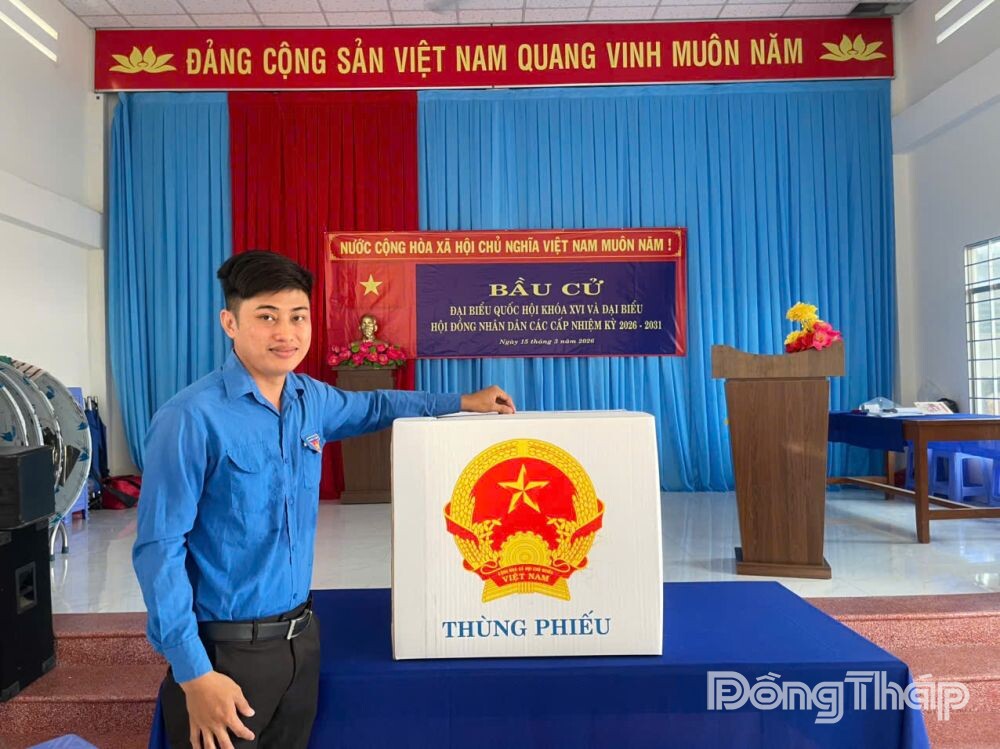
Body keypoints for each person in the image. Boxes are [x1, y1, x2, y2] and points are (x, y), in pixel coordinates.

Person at [133, 250, 515, 749]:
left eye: (298, 317)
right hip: (225, 655)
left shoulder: (309, 399)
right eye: (266, 317)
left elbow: (377, 405)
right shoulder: (190, 417)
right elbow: (159, 549)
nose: (285, 333)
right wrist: (194, 674)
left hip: (301, 644)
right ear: (230, 322)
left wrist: (462, 402)